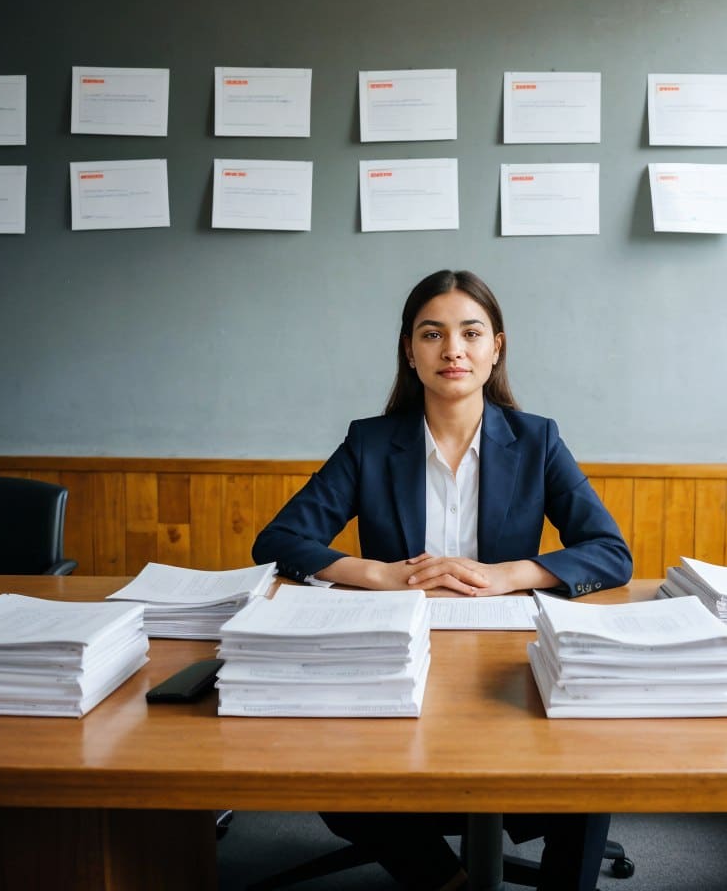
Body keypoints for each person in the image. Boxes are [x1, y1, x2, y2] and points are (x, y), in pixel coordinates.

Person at [253, 268, 633, 891]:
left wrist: (507, 574)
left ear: (495, 349)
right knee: (329, 763)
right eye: (432, 334)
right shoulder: (371, 444)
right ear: (410, 349)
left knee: (584, 756)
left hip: (506, 655)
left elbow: (610, 553)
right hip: (396, 653)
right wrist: (375, 573)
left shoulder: (536, 440)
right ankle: (443, 880)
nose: (452, 349)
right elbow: (277, 541)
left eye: (470, 333)